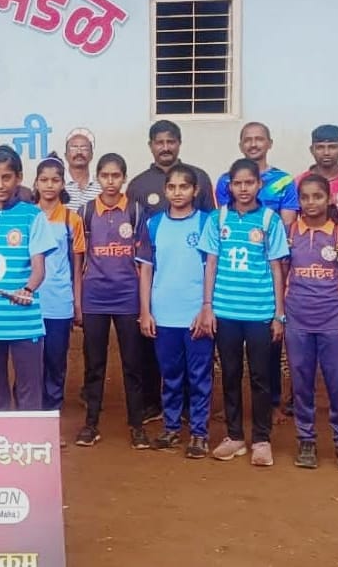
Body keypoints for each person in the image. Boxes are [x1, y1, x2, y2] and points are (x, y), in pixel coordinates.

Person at [197, 158, 289, 466]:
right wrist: (208, 306)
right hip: (225, 311)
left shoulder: (269, 220)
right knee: (231, 374)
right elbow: (210, 264)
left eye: (249, 182)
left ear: (258, 185)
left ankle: (261, 439)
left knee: (262, 376)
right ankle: (234, 436)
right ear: (229, 186)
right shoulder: (217, 218)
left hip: (260, 312)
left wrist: (279, 313)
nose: (244, 188)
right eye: (238, 183)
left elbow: (277, 267)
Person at [215, 122, 298, 423]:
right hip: (233, 286)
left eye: (259, 139)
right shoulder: (224, 180)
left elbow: (286, 226)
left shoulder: (284, 180)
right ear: (240, 144)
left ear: (269, 142)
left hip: (270, 263)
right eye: (247, 139)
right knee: (231, 362)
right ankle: (233, 415)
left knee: (268, 357)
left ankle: (272, 404)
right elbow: (225, 226)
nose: (253, 144)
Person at [0, 145, 56, 412]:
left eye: (6, 177)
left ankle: (29, 446)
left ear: (18, 178)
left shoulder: (33, 216)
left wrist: (27, 289)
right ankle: (0, 447)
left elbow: (39, 269)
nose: (0, 184)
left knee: (29, 392)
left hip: (24, 321)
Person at [285, 175, 338, 471]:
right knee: (301, 383)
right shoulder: (290, 232)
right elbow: (282, 275)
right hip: (298, 322)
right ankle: (306, 440)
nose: (310, 202)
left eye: (317, 196)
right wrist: (282, 317)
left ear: (329, 198)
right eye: (305, 197)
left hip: (334, 321)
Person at [137, 165, 214, 458]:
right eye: (173, 187)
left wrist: (206, 309)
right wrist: (146, 311)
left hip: (196, 315)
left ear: (195, 191)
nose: (178, 192)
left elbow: (211, 269)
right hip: (164, 314)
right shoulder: (154, 224)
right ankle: (170, 428)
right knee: (170, 375)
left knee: (199, 376)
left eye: (185, 187)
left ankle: (198, 433)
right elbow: (145, 270)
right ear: (165, 190)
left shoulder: (206, 222)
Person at [76, 153, 152, 449]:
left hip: (127, 298)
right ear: (97, 178)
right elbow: (79, 260)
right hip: (94, 298)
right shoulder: (85, 213)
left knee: (133, 364)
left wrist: (143, 305)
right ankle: (90, 424)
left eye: (116, 176)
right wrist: (79, 302)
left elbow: (144, 259)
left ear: (124, 178)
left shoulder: (134, 211)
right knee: (94, 365)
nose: (110, 182)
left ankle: (137, 426)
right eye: (105, 176)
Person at [33, 154, 85, 416]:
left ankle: (52, 413)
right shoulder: (28, 216)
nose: (49, 185)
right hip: (29, 303)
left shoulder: (71, 219)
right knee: (30, 363)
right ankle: (30, 414)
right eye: (44, 180)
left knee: (55, 362)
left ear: (63, 184)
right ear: (36, 183)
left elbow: (76, 268)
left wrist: (77, 304)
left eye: (55, 180)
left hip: (59, 303)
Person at [296, 125, 338, 228]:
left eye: (332, 147)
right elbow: (292, 225)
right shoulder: (298, 182)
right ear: (312, 150)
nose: (326, 153)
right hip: (308, 242)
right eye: (320, 147)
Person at [63, 129, 101, 212]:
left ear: (92, 155)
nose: (79, 152)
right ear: (65, 155)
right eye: (74, 148)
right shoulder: (58, 184)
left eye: (84, 148)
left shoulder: (101, 185)